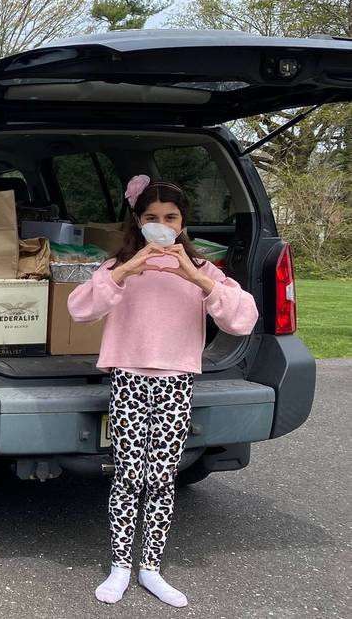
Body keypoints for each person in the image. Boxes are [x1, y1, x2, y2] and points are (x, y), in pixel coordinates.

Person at [68, 175, 258, 608]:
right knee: (128, 475)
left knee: (161, 478)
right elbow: (79, 309)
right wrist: (126, 270)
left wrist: (196, 277)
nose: (161, 224)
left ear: (183, 222)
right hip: (129, 378)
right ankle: (120, 565)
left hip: (176, 379)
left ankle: (151, 567)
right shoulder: (119, 267)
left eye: (170, 217)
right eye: (151, 217)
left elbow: (243, 319)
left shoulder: (203, 270)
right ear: (138, 221)